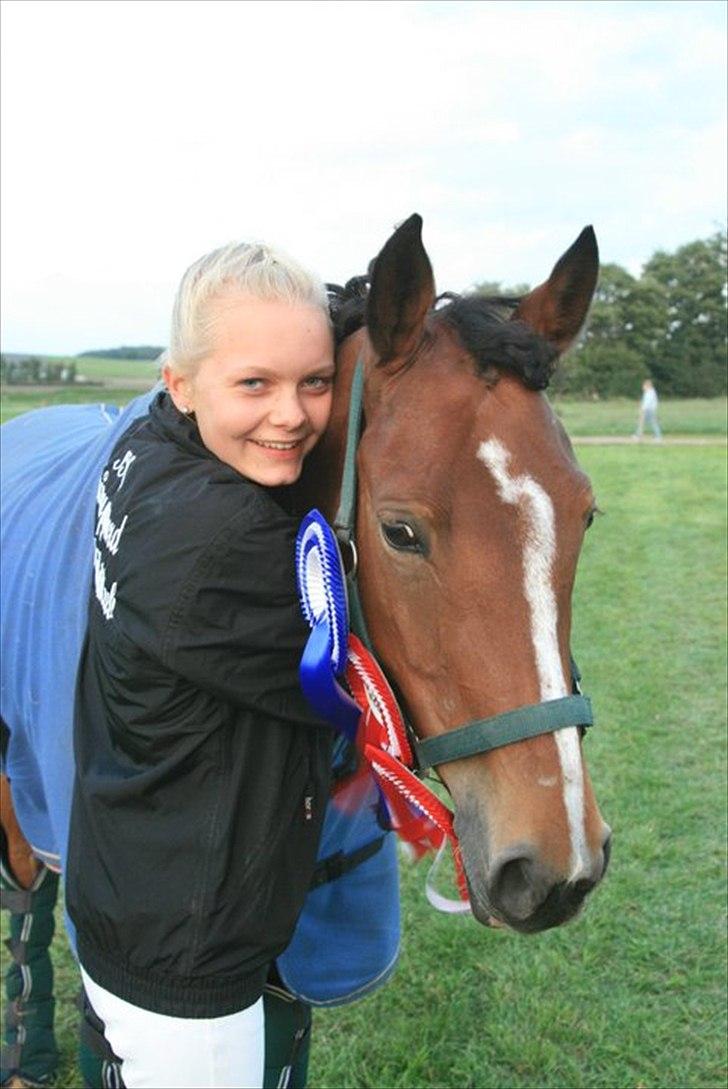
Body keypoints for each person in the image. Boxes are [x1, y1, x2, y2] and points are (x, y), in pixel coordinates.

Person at [65, 241, 338, 1089]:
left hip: (129, 881)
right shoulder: (218, 541)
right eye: (254, 384)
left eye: (317, 381)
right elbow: (357, 675)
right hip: (188, 950)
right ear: (180, 382)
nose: (291, 415)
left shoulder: (146, 447)